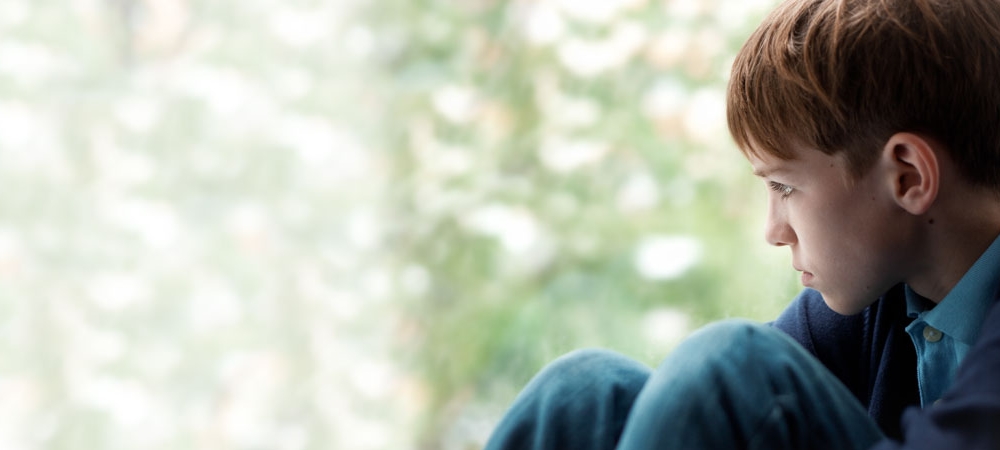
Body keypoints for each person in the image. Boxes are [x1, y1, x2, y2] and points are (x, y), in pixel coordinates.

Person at [484, 0, 1000, 448]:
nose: (773, 231)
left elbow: (733, 391)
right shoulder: (882, 294)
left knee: (731, 365)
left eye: (784, 187)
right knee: (583, 392)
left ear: (908, 177)